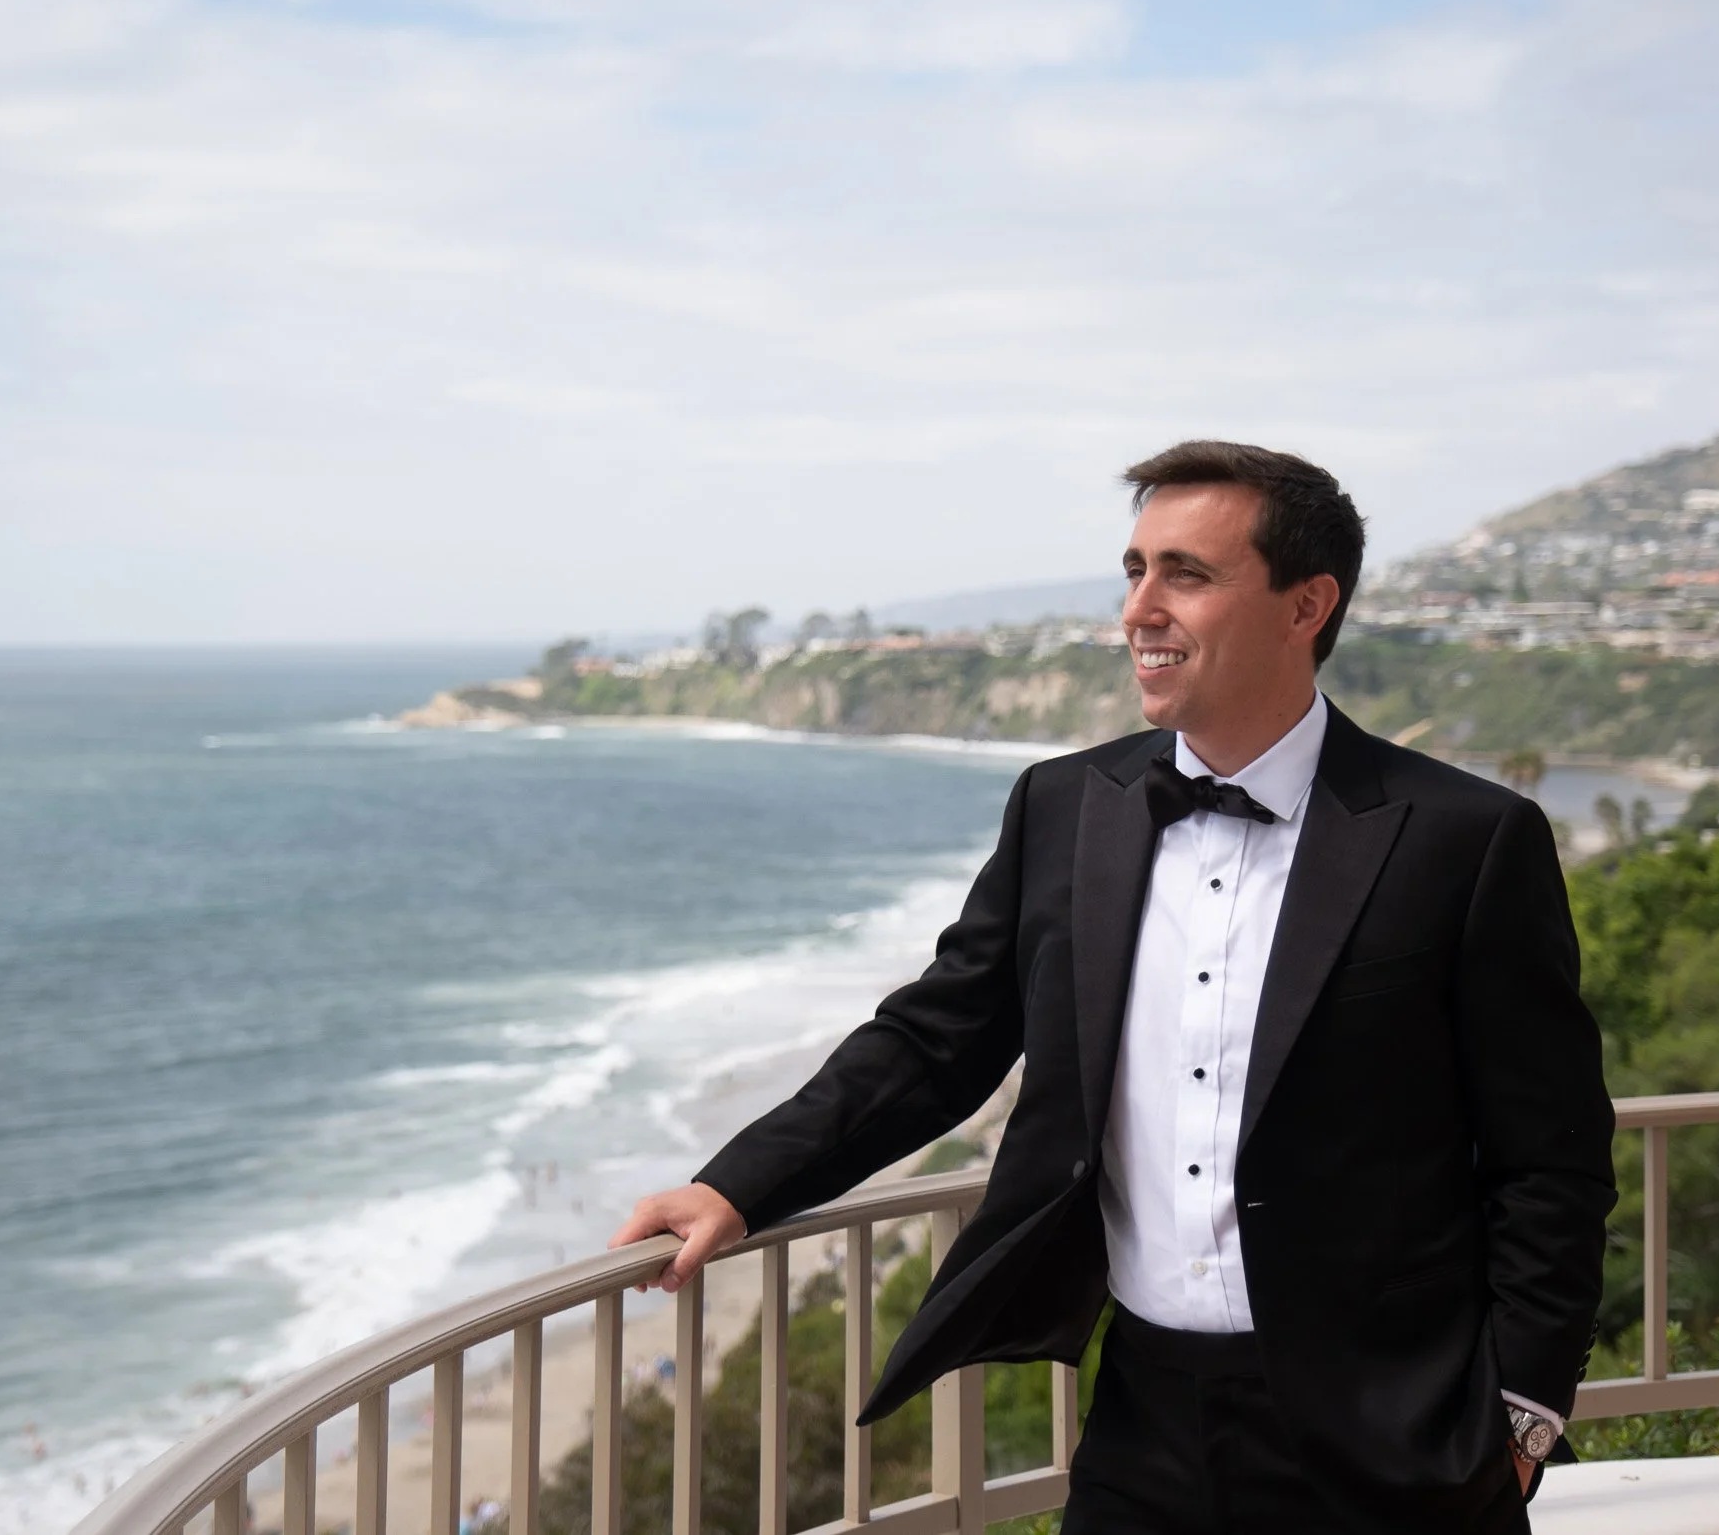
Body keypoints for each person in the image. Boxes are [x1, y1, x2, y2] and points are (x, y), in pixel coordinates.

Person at [610, 442, 1615, 1533]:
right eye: (1134, 571)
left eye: (1186, 573)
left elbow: (1551, 1155)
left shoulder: (1465, 838)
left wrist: (1519, 1415)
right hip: (1142, 1419)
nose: (1139, 609)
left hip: (1400, 1430)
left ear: (1305, 605)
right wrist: (739, 1184)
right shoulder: (1063, 806)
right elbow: (938, 1036)